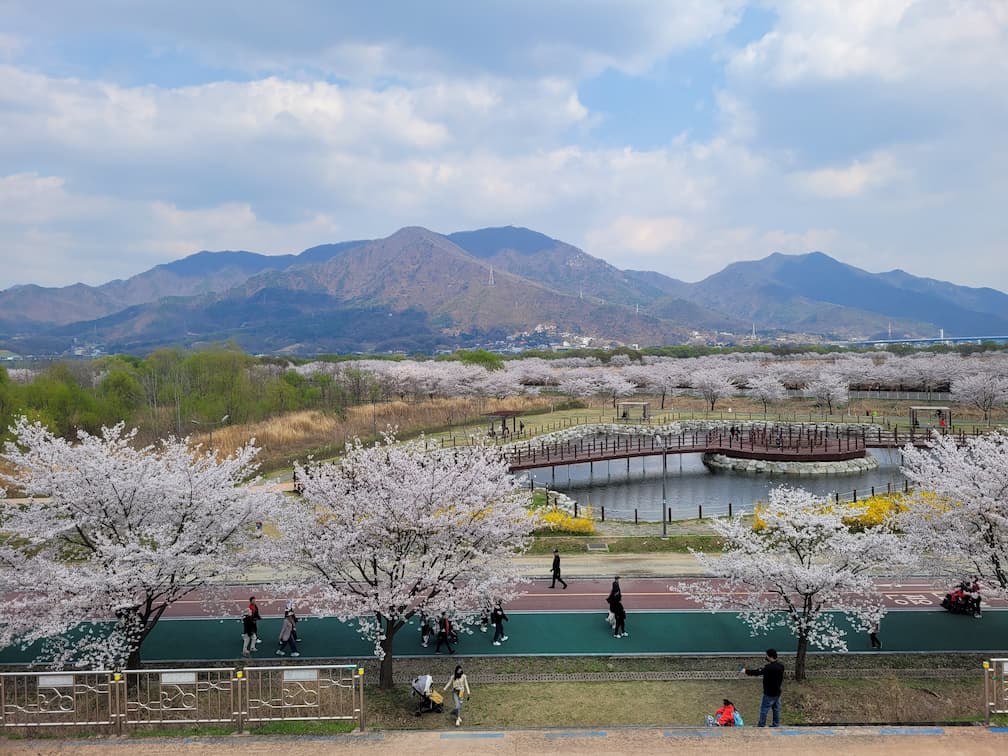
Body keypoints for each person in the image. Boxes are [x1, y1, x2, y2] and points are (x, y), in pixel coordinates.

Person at [743, 648, 785, 727]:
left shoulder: (768, 668)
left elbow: (757, 672)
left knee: (764, 709)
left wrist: (746, 671)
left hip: (769, 693)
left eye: (767, 655)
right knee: (776, 709)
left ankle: (761, 725)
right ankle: (776, 724)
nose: (766, 657)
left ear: (770, 656)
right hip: (777, 692)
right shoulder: (781, 666)